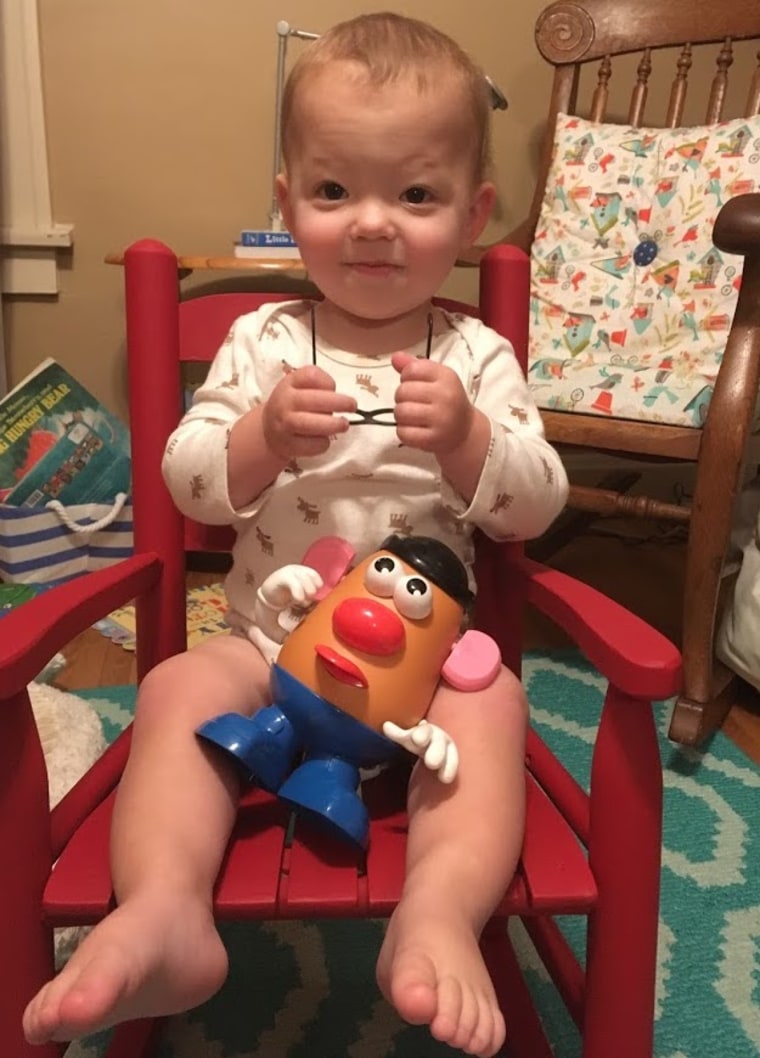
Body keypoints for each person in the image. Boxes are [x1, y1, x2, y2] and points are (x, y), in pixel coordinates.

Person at [23, 12, 568, 1058]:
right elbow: (191, 485)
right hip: (271, 653)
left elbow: (536, 505)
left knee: (493, 706)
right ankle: (166, 909)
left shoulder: (477, 353)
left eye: (414, 194)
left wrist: (467, 441)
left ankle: (441, 908)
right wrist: (260, 437)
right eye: (333, 191)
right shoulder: (261, 340)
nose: (371, 223)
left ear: (472, 211)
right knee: (177, 686)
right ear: (287, 204)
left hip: (429, 676)